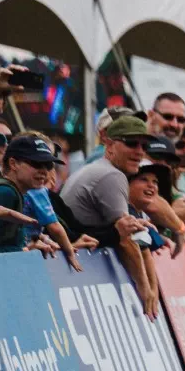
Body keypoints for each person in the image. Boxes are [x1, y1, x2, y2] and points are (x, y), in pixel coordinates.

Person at [59, 116, 161, 319]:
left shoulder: (99, 168)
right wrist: (145, 288)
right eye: (131, 143)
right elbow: (125, 239)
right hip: (74, 265)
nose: (139, 151)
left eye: (144, 144)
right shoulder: (112, 175)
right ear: (110, 144)